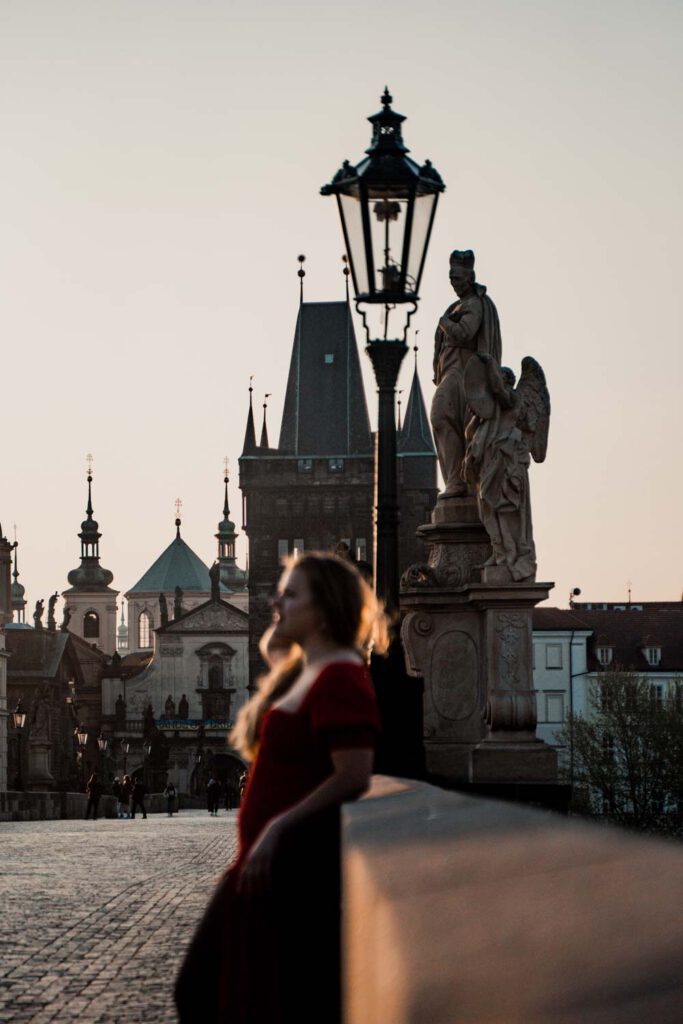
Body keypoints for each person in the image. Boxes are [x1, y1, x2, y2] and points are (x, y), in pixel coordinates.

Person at [175, 551, 388, 1024]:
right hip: (261, 864)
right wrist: (283, 629)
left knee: (208, 991)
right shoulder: (305, 671)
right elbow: (272, 646)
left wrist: (276, 829)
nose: (275, 600)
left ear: (325, 608)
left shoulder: (341, 677)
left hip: (288, 866)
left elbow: (354, 774)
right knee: (232, 994)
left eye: (290, 594)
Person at [430, 248, 502, 498]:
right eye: (451, 278)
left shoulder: (473, 304)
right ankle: (456, 478)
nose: (453, 283)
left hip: (463, 374)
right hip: (451, 371)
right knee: (447, 421)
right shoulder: (457, 305)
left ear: (469, 277)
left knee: (442, 415)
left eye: (457, 279)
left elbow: (464, 333)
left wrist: (444, 322)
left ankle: (458, 480)